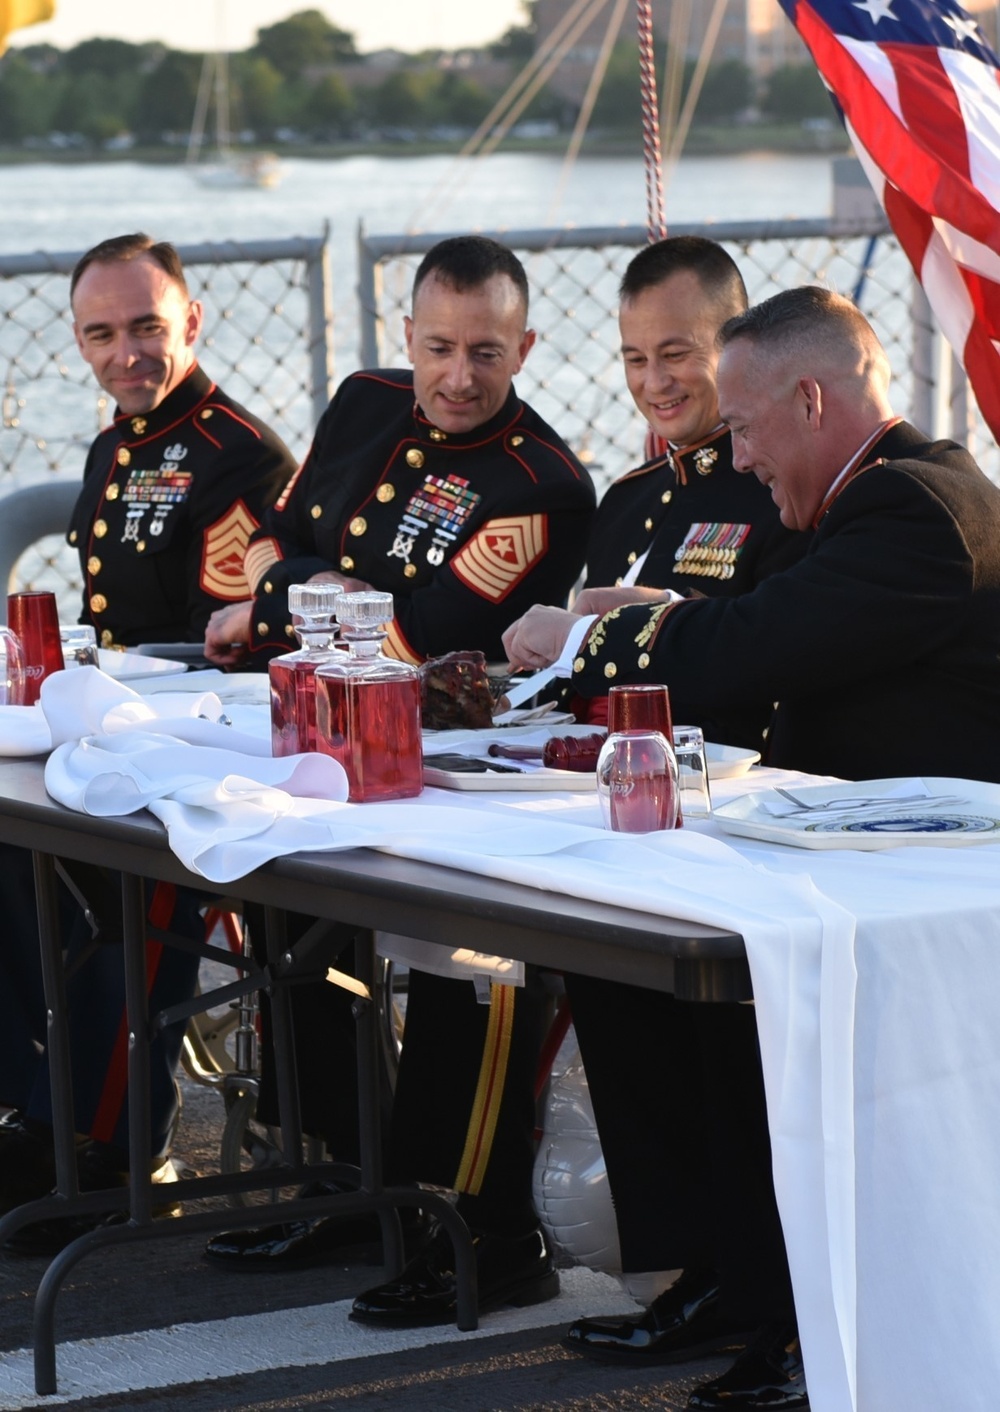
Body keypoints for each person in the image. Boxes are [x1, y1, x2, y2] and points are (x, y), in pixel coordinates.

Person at [502, 286, 1000, 1411]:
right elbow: (746, 614)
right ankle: (729, 1272)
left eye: (742, 426)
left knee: (713, 988)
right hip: (850, 853)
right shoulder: (858, 502)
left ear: (811, 397)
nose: (735, 453)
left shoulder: (920, 509)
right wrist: (651, 600)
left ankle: (790, 1314)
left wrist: (594, 628)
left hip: (935, 887)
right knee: (620, 942)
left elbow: (752, 644)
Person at [200, 235, 596, 1324]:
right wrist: (304, 584)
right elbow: (275, 542)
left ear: (524, 345)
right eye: (438, 346)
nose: (459, 376)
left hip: (444, 767)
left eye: (485, 352)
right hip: (313, 742)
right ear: (406, 335)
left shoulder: (540, 481)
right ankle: (344, 1176)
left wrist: (289, 597)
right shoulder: (364, 400)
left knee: (463, 964)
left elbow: (420, 640)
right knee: (288, 921)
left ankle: (462, 1218)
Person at [0, 233, 296, 1248]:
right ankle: (26, 1110)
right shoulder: (111, 447)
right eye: (102, 333)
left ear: (191, 323)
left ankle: (107, 1148)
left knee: (130, 894)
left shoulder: (238, 457)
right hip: (99, 740)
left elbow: (238, 635)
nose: (126, 352)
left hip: (195, 762)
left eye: (145, 328)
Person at [559, 234, 807, 745]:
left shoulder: (781, 492)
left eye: (674, 354)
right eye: (635, 359)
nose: (654, 383)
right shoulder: (626, 498)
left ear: (736, 346)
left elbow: (773, 676)